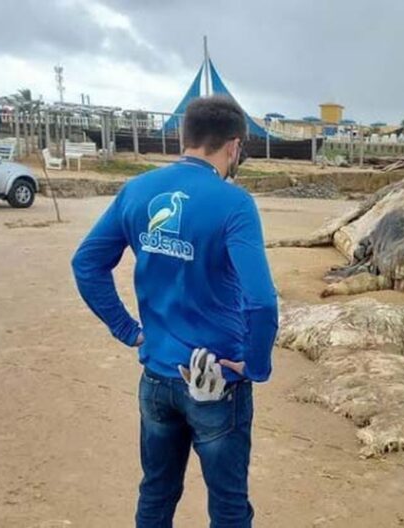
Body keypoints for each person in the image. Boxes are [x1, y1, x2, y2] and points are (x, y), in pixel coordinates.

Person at [71, 95, 278, 527]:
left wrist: (129, 330)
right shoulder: (234, 204)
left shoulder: (137, 189)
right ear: (234, 146)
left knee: (157, 493)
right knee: (229, 507)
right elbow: (261, 301)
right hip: (217, 380)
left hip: (157, 378)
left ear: (185, 138)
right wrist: (255, 366)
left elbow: (86, 264)